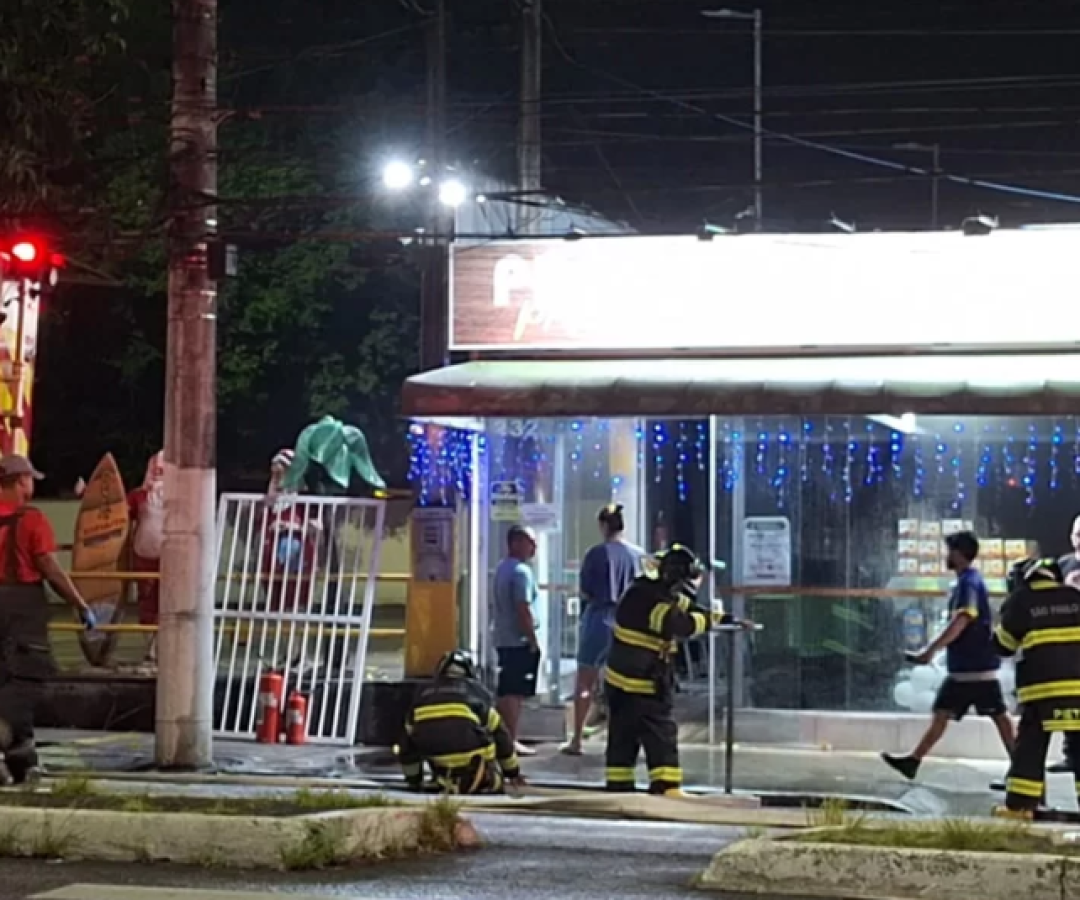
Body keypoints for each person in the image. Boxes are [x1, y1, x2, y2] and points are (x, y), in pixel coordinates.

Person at [604, 544, 748, 796]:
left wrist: (723, 618)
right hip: (642, 684)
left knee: (623, 738)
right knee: (660, 734)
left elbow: (687, 607)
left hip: (621, 682)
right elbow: (681, 624)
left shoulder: (647, 591)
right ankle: (667, 788)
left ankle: (619, 789)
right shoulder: (653, 601)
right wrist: (707, 622)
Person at [881, 530, 1015, 780]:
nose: (946, 556)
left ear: (961, 554)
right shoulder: (968, 580)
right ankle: (913, 761)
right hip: (970, 668)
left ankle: (1021, 769)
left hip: (972, 669)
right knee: (952, 714)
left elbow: (962, 619)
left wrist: (930, 651)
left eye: (950, 551)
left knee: (993, 716)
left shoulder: (968, 583)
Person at [0, 455, 96, 784]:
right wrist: (81, 605)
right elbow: (51, 569)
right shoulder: (33, 521)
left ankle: (22, 763)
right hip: (22, 607)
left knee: (5, 681)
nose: (33, 485)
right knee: (26, 681)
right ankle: (10, 748)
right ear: (19, 482)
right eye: (30, 479)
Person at [991, 557, 1080, 818]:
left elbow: (1002, 646)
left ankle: (1020, 806)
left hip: (1043, 692)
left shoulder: (1021, 601)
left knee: (1030, 747)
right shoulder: (1076, 597)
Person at [561, 503, 644, 756]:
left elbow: (586, 590)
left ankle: (576, 739)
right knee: (628, 683)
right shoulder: (638, 555)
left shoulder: (595, 554)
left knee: (585, 680)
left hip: (598, 618)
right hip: (629, 621)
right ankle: (626, 739)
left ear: (603, 526)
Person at [397, 650, 523, 795]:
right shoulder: (478, 693)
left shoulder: (422, 694)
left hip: (438, 764)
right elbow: (500, 734)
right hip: (475, 765)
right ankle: (485, 780)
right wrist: (512, 772)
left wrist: (414, 781)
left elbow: (406, 744)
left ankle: (445, 781)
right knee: (489, 737)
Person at [492, 525, 541, 756]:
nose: (534, 547)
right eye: (529, 542)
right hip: (517, 639)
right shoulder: (521, 572)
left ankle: (505, 737)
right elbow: (523, 608)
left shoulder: (502, 568)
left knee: (506, 690)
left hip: (503, 638)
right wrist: (532, 639)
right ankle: (510, 740)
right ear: (515, 543)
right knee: (514, 692)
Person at [127, 451, 164, 663]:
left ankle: (164, 647)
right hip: (145, 554)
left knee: (171, 602)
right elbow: (117, 515)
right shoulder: (138, 496)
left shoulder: (184, 495)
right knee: (147, 601)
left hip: (175, 558)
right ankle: (151, 649)